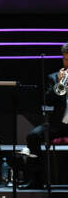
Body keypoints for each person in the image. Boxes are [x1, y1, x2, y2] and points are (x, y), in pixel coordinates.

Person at [25, 43, 68, 187]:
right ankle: (36, 179)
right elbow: (48, 100)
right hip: (59, 124)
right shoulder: (54, 77)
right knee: (33, 136)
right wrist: (60, 84)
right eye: (65, 59)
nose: (67, 63)